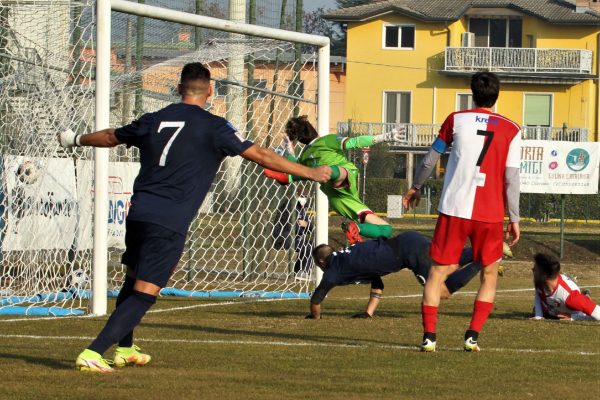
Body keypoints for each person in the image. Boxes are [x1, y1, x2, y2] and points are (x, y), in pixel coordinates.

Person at [58, 62, 331, 373]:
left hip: (138, 214)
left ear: (178, 89)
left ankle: (125, 348)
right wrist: (310, 172)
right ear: (211, 90)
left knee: (133, 279)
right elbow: (263, 156)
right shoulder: (215, 126)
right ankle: (93, 352)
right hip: (169, 220)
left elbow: (109, 136)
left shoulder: (154, 119)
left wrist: (75, 139)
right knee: (146, 292)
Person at [403, 72, 521, 352]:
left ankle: (429, 337)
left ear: (472, 93)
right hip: (489, 213)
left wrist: (416, 186)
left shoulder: (455, 119)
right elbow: (512, 177)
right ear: (497, 95)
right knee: (489, 273)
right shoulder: (512, 129)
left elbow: (431, 158)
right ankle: (472, 337)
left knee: (436, 273)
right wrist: (514, 218)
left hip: (453, 209)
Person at [263, 115, 404, 244]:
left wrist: (289, 151)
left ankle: (355, 228)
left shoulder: (305, 155)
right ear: (312, 128)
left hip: (338, 198)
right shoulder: (328, 140)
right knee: (339, 172)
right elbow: (355, 141)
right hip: (341, 180)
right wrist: (385, 136)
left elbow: (294, 165)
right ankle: (296, 176)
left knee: (386, 229)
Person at [306, 231, 487, 320]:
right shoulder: (347, 256)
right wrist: (368, 313)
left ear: (321, 262)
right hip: (408, 240)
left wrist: (316, 318)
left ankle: (483, 259)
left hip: (408, 252)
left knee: (442, 292)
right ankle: (484, 249)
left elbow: (316, 300)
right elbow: (377, 283)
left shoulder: (333, 271)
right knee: (448, 264)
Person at [531, 252, 599, 321]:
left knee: (582, 304)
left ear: (544, 274)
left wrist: (573, 317)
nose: (532, 269)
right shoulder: (540, 281)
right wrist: (538, 315)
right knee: (538, 311)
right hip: (553, 308)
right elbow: (538, 292)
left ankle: (585, 296)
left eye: (536, 268)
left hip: (575, 306)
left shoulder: (570, 296)